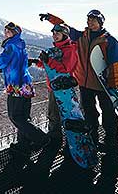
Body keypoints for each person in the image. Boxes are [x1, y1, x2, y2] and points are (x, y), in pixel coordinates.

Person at [39, 10, 118, 176]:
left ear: (101, 22)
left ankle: (112, 147)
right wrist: (50, 18)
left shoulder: (109, 41)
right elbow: (65, 28)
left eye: (94, 20)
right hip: (85, 84)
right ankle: (90, 142)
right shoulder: (82, 36)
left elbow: (115, 64)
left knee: (109, 116)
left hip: (103, 85)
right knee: (89, 115)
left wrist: (116, 84)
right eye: (89, 20)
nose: (91, 23)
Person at [0, 22, 50, 162]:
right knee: (23, 116)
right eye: (5, 30)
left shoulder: (11, 45)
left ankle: (41, 138)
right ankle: (24, 144)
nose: (6, 32)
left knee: (15, 116)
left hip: (16, 85)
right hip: (26, 83)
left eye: (9, 31)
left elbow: (2, 61)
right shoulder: (21, 44)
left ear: (15, 32)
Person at [28, 24, 78, 159]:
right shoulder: (57, 48)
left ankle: (66, 144)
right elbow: (49, 66)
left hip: (64, 90)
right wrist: (37, 62)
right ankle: (55, 140)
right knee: (53, 115)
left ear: (65, 35)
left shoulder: (70, 49)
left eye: (58, 33)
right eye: (54, 33)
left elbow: (65, 68)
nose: (55, 35)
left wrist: (48, 60)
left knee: (66, 116)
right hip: (54, 88)